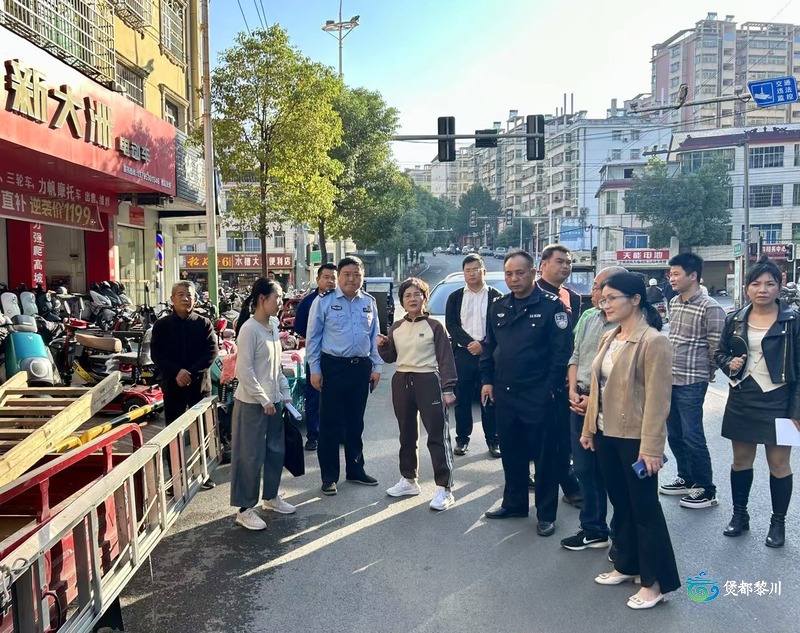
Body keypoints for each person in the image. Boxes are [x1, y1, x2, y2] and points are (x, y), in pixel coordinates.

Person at [581, 273, 680, 610]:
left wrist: (651, 448)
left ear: (635, 300)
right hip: (606, 434)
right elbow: (597, 388)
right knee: (621, 504)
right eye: (603, 299)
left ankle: (655, 582)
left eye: (612, 298)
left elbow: (658, 400)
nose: (604, 304)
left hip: (636, 440)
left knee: (645, 509)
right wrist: (589, 429)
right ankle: (627, 564)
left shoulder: (653, 341)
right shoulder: (609, 336)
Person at [480, 250, 573, 537]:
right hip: (506, 393)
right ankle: (514, 503)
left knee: (545, 458)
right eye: (509, 273)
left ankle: (546, 514)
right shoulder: (498, 306)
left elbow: (561, 353)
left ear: (533, 273)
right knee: (512, 452)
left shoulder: (551, 306)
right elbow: (489, 346)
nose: (514, 278)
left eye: (520, 273)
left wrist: (550, 389)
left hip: (539, 394)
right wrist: (487, 380)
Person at [714, 255, 800, 548]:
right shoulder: (735, 319)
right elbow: (720, 353)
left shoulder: (793, 321)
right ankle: (740, 515)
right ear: (747, 287)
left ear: (779, 287)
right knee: (741, 460)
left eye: (769, 283)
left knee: (779, 464)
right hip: (742, 397)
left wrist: (796, 412)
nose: (762, 289)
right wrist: (729, 364)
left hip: (781, 400)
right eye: (756, 284)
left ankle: (778, 523)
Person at [561, 265, 627, 552]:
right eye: (596, 287)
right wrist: (573, 390)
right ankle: (593, 529)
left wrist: (595, 400)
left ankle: (622, 539)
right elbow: (575, 355)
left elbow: (627, 378)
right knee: (584, 469)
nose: (595, 292)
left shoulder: (630, 325)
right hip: (580, 400)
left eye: (600, 287)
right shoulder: (589, 317)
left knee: (614, 474)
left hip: (611, 407)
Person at [378, 278, 457, 511]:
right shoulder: (396, 327)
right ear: (401, 301)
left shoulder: (435, 326)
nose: (412, 299)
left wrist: (448, 388)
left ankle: (444, 488)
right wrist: (383, 346)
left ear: (425, 298)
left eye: (417, 294)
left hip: (428, 380)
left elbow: (445, 358)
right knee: (406, 433)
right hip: (402, 380)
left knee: (437, 435)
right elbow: (391, 357)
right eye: (407, 295)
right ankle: (409, 480)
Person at [306, 256, 382, 496]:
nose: (352, 279)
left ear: (362, 277)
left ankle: (356, 469)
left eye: (356, 274)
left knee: (355, 422)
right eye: (347, 274)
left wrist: (377, 367)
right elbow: (313, 338)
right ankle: (329, 476)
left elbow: (375, 337)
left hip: (360, 368)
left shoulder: (369, 302)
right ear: (338, 277)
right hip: (333, 367)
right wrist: (315, 370)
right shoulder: (324, 302)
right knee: (329, 424)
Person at [230, 279, 296, 530]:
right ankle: (244, 509)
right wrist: (263, 398)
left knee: (275, 451)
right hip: (252, 403)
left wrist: (283, 393)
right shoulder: (249, 329)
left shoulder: (273, 325)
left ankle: (271, 497)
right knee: (249, 455)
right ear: (261, 299)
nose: (281, 302)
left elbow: (275, 366)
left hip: (273, 402)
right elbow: (244, 371)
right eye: (277, 297)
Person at [660, 253, 725, 508]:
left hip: (693, 380)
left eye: (676, 274)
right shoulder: (674, 302)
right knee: (675, 434)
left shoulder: (711, 307)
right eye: (671, 274)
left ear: (693, 275)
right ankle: (686, 478)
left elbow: (716, 347)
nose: (672, 278)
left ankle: (706, 489)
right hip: (670, 378)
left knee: (693, 436)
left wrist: (707, 372)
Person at [151, 281, 218, 489]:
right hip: (173, 386)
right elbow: (157, 354)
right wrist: (176, 372)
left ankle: (203, 474)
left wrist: (190, 372)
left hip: (199, 385)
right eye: (180, 295)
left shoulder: (203, 323)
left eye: (189, 295)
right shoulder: (162, 325)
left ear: (195, 299)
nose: (185, 298)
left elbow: (211, 352)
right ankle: (175, 480)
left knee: (202, 431)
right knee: (173, 433)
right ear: (172, 299)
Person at [536, 244, 582, 507]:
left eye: (568, 262)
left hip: (565, 376)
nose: (565, 266)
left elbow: (570, 339)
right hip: (537, 376)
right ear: (543, 265)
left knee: (562, 434)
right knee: (544, 436)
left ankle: (568, 484)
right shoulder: (531, 293)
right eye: (559, 261)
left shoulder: (572, 297)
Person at [445, 254, 503, 458]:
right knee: (463, 399)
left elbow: (499, 327)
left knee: (490, 398)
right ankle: (462, 439)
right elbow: (451, 324)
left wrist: (483, 345)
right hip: (463, 354)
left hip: (489, 355)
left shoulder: (497, 297)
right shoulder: (455, 297)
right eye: (467, 270)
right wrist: (471, 343)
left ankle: (493, 440)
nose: (471, 273)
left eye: (475, 269)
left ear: (484, 271)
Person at [292, 263, 338, 451]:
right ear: (318, 279)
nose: (330, 281)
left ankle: (337, 433)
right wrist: (316, 338)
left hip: (337, 358)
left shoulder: (342, 300)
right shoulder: (309, 302)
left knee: (337, 397)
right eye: (326, 277)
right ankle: (313, 436)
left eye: (333, 278)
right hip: (316, 356)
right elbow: (300, 326)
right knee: (314, 397)